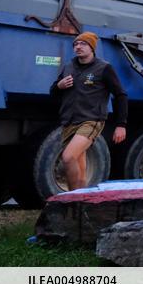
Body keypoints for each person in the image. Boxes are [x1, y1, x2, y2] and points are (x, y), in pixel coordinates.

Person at [50, 32, 128, 190]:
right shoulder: (68, 67)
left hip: (91, 120)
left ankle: (72, 199)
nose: (78, 47)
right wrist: (59, 86)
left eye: (83, 44)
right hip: (69, 121)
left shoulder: (104, 68)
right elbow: (53, 92)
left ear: (92, 47)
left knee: (68, 157)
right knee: (79, 168)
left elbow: (121, 95)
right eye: (76, 44)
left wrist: (121, 124)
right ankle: (81, 200)